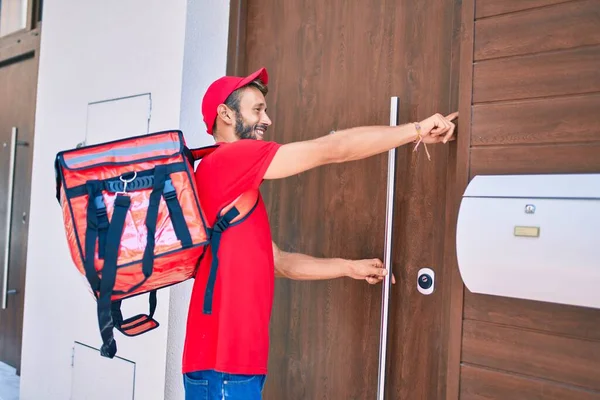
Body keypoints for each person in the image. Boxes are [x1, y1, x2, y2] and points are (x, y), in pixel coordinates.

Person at [182, 67, 457, 400]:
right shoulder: (230, 159)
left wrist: (348, 267)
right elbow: (332, 149)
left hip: (223, 362)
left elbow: (279, 263)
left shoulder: (223, 178)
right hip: (225, 364)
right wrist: (414, 130)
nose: (267, 119)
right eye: (257, 109)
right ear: (225, 114)